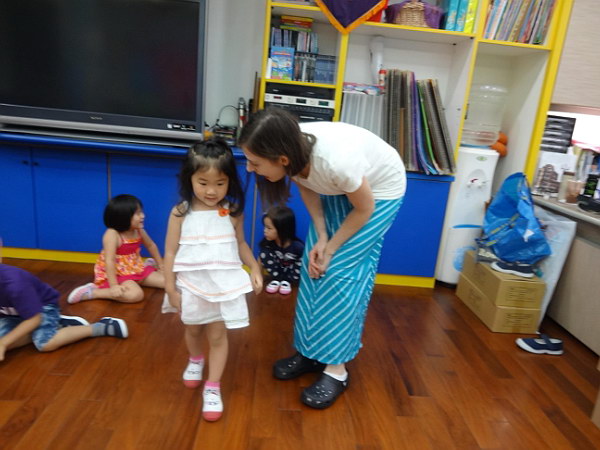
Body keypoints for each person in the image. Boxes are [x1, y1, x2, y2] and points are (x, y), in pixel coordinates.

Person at [239, 108, 406, 409]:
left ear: (281, 159)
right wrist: (322, 235)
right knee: (312, 266)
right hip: (340, 187)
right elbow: (307, 184)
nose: (250, 169)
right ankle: (311, 352)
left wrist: (331, 248)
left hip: (379, 195)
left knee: (339, 271)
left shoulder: (336, 161)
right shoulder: (292, 151)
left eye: (255, 162)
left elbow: (364, 208)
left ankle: (337, 370)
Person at [162, 139, 262, 422]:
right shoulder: (180, 213)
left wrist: (255, 267)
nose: (211, 191)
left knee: (218, 336)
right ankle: (196, 359)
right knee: (193, 330)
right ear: (189, 179)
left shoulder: (232, 212)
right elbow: (170, 252)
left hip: (222, 286)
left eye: (220, 183)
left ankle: (213, 386)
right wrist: (170, 288)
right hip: (191, 285)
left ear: (229, 181)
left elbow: (240, 244)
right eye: (203, 182)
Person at [0, 262, 128, 362]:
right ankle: (57, 324)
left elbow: (34, 319)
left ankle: (102, 326)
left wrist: (4, 343)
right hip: (14, 314)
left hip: (42, 309)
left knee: (45, 343)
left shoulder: (15, 285)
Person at [67, 194, 165, 304]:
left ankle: (146, 268)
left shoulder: (138, 230)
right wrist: (114, 286)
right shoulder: (112, 234)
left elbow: (151, 245)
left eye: (141, 212)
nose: (143, 216)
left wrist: (161, 265)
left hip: (135, 267)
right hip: (118, 274)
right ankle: (92, 292)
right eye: (138, 213)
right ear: (123, 217)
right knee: (135, 295)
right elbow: (109, 261)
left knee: (167, 282)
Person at [259, 205, 304, 295]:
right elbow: (260, 260)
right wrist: (259, 277)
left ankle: (287, 281)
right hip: (275, 273)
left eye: (269, 228)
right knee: (264, 253)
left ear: (282, 229)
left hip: (292, 275)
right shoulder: (268, 244)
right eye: (265, 227)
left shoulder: (297, 246)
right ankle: (277, 280)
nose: (265, 231)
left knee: (303, 259)